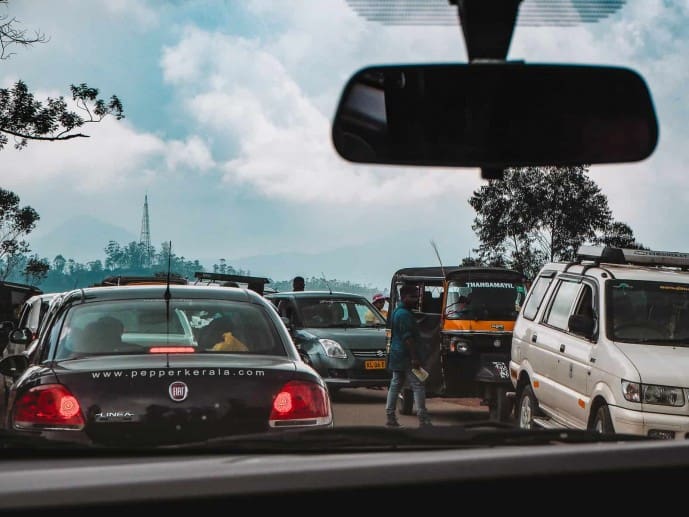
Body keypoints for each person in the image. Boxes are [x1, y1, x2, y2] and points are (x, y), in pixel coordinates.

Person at [384, 284, 431, 428]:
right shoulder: (404, 314)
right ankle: (423, 419)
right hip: (406, 355)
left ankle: (390, 416)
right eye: (413, 297)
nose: (416, 299)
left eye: (417, 296)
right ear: (404, 297)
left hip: (397, 354)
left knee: (395, 384)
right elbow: (408, 339)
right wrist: (414, 358)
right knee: (418, 385)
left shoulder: (398, 312)